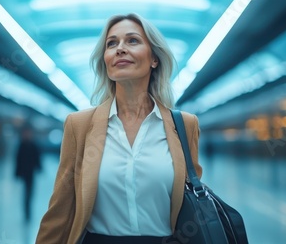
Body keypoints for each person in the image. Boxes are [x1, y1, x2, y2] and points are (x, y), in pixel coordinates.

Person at [35, 13, 202, 244]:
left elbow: (192, 204)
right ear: (105, 59)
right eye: (112, 43)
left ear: (154, 58)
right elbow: (60, 211)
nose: (120, 49)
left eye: (132, 41)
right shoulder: (79, 125)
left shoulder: (184, 125)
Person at [15, 125, 42, 221]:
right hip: (24, 173)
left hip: (31, 173)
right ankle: (27, 213)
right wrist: (17, 173)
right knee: (26, 193)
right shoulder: (22, 145)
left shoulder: (33, 145)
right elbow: (18, 160)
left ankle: (28, 212)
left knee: (29, 193)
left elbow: (37, 158)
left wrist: (39, 167)